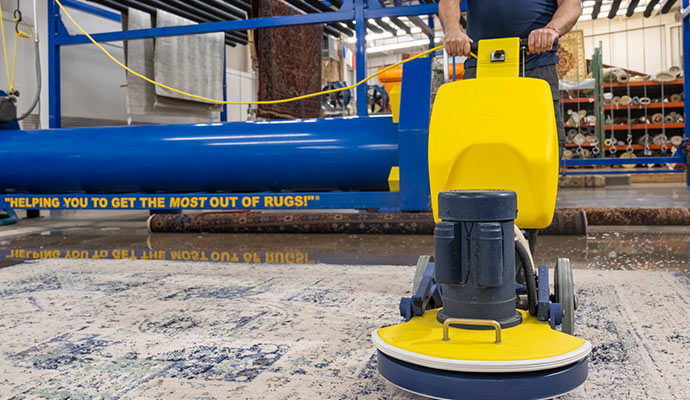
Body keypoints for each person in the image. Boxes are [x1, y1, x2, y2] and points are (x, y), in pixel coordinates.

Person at [439, 0, 582, 155]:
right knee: (476, 146)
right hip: (481, 64)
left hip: (535, 65)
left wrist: (552, 29)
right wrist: (452, 30)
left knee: (542, 147)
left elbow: (572, 4)